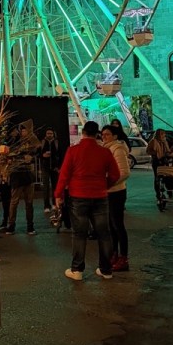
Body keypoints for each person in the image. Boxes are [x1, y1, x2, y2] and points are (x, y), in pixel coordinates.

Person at [55, 120, 121, 281]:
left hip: (78, 196)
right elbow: (115, 175)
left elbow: (64, 175)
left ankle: (77, 270)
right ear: (97, 134)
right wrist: (104, 186)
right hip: (100, 196)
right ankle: (106, 270)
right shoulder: (104, 152)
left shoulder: (73, 151)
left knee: (79, 234)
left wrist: (58, 195)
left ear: (83, 133)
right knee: (104, 234)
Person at [101, 124, 131, 271]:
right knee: (111, 226)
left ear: (115, 136)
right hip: (109, 191)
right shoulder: (106, 149)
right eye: (102, 134)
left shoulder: (117, 150)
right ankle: (114, 253)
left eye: (107, 134)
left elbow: (124, 172)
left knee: (118, 225)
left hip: (116, 192)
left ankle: (123, 257)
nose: (104, 137)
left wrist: (109, 183)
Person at [4, 124, 38, 236]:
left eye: (26, 131)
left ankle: (30, 225)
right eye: (22, 131)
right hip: (17, 175)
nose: (24, 133)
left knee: (29, 202)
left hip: (28, 175)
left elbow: (36, 153)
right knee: (14, 202)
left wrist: (31, 158)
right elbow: (8, 155)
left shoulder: (31, 143)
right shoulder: (14, 142)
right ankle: (11, 225)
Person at [38, 127, 63, 215]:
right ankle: (46, 206)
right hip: (45, 168)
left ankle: (54, 204)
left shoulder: (56, 142)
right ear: (45, 134)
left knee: (55, 187)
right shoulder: (42, 142)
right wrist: (43, 155)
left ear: (53, 134)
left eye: (51, 133)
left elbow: (60, 154)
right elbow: (38, 154)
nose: (49, 135)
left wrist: (59, 167)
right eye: (48, 133)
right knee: (45, 188)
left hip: (55, 168)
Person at [146, 129, 170, 197]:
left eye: (164, 133)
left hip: (164, 161)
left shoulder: (165, 141)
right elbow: (148, 151)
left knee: (166, 176)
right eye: (162, 134)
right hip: (156, 161)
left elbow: (168, 150)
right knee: (157, 177)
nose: (163, 135)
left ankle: (168, 191)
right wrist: (156, 153)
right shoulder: (153, 141)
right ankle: (158, 193)